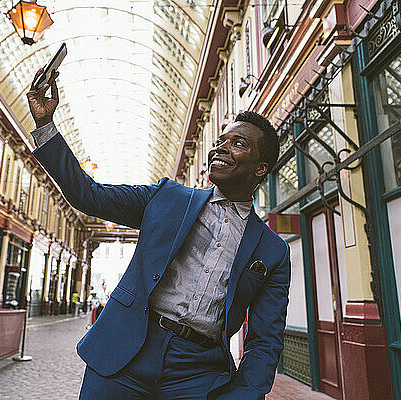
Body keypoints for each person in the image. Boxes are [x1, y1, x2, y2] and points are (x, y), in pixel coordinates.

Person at [27, 69, 290, 400]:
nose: (221, 148)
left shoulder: (273, 250)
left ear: (260, 167)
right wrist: (45, 124)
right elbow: (88, 195)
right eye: (220, 140)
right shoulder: (166, 198)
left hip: (198, 373)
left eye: (237, 144)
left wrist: (245, 394)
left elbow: (265, 339)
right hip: (125, 353)